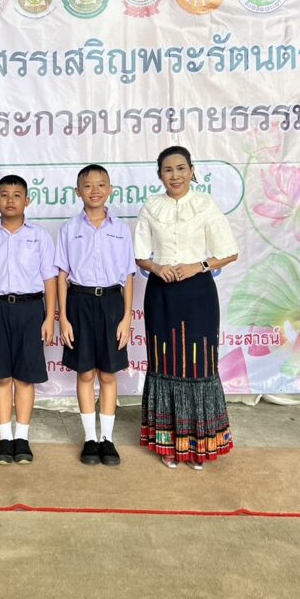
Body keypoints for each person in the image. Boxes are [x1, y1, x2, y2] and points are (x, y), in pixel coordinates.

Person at [134, 146, 238, 470]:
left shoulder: (205, 205)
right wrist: (156, 266)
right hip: (161, 293)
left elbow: (229, 252)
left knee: (198, 365)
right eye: (168, 170)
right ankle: (167, 442)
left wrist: (199, 265)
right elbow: (140, 255)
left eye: (181, 168)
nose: (175, 175)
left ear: (192, 171)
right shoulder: (151, 207)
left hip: (198, 293)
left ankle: (199, 443)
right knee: (164, 362)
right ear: (159, 175)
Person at [0, 175, 57, 465]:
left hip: (30, 310)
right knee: (2, 376)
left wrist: (49, 317)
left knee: (24, 377)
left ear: (27, 201)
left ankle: (22, 437)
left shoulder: (39, 236)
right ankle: (5, 437)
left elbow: (49, 279)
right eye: (4, 195)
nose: (10, 200)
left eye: (17, 195)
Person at [55, 164, 135, 466]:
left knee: (108, 374)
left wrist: (126, 317)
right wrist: (63, 317)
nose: (95, 190)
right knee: (85, 373)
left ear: (110, 189)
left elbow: (128, 275)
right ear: (78, 192)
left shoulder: (121, 229)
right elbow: (62, 274)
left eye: (101, 184)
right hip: (79, 302)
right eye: (88, 185)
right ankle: (90, 439)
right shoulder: (69, 229)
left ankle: (107, 440)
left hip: (112, 303)